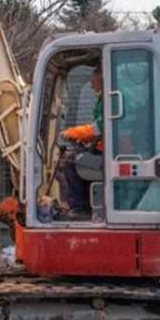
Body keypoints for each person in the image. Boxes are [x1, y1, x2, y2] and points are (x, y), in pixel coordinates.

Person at [56, 64, 103, 217]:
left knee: (70, 162)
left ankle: (80, 208)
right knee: (77, 158)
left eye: (93, 79)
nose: (90, 83)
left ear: (102, 78)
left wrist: (72, 132)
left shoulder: (108, 100)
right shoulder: (104, 99)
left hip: (109, 153)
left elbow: (98, 127)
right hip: (106, 148)